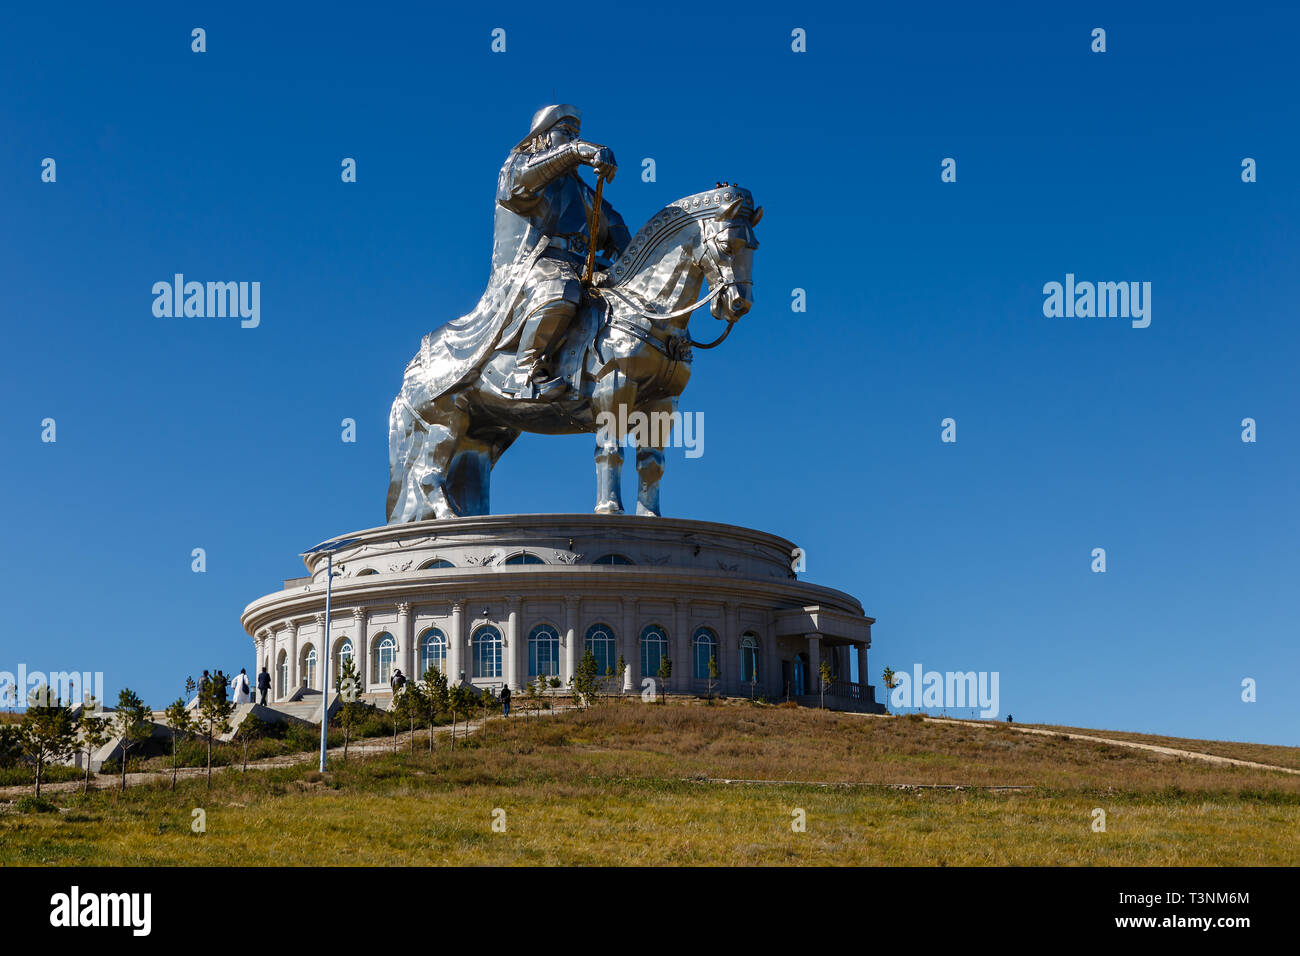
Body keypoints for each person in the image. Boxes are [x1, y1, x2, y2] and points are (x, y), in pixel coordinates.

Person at [496, 104, 629, 397]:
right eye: (566, 132)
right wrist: (580, 150)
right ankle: (525, 370)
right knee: (561, 288)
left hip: (582, 265)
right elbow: (524, 182)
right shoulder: (517, 167)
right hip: (534, 265)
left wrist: (629, 260)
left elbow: (613, 223)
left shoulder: (581, 190)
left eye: (576, 134)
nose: (571, 139)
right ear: (543, 137)